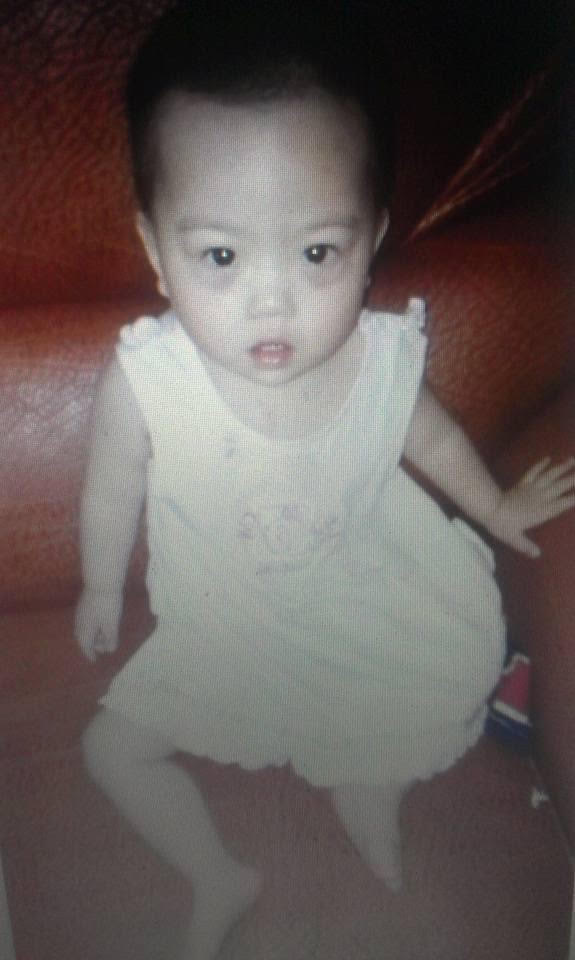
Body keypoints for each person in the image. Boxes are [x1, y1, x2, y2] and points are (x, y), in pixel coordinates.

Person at [75, 2, 575, 956]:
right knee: (111, 751)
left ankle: (368, 780)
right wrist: (101, 586)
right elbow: (109, 488)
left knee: (427, 684)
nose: (272, 299)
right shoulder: (148, 379)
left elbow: (432, 442)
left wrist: (496, 506)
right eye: (220, 255)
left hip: (363, 597)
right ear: (154, 251)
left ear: (372, 237)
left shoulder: (376, 361)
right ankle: (215, 872)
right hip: (225, 623)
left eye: (316, 252)